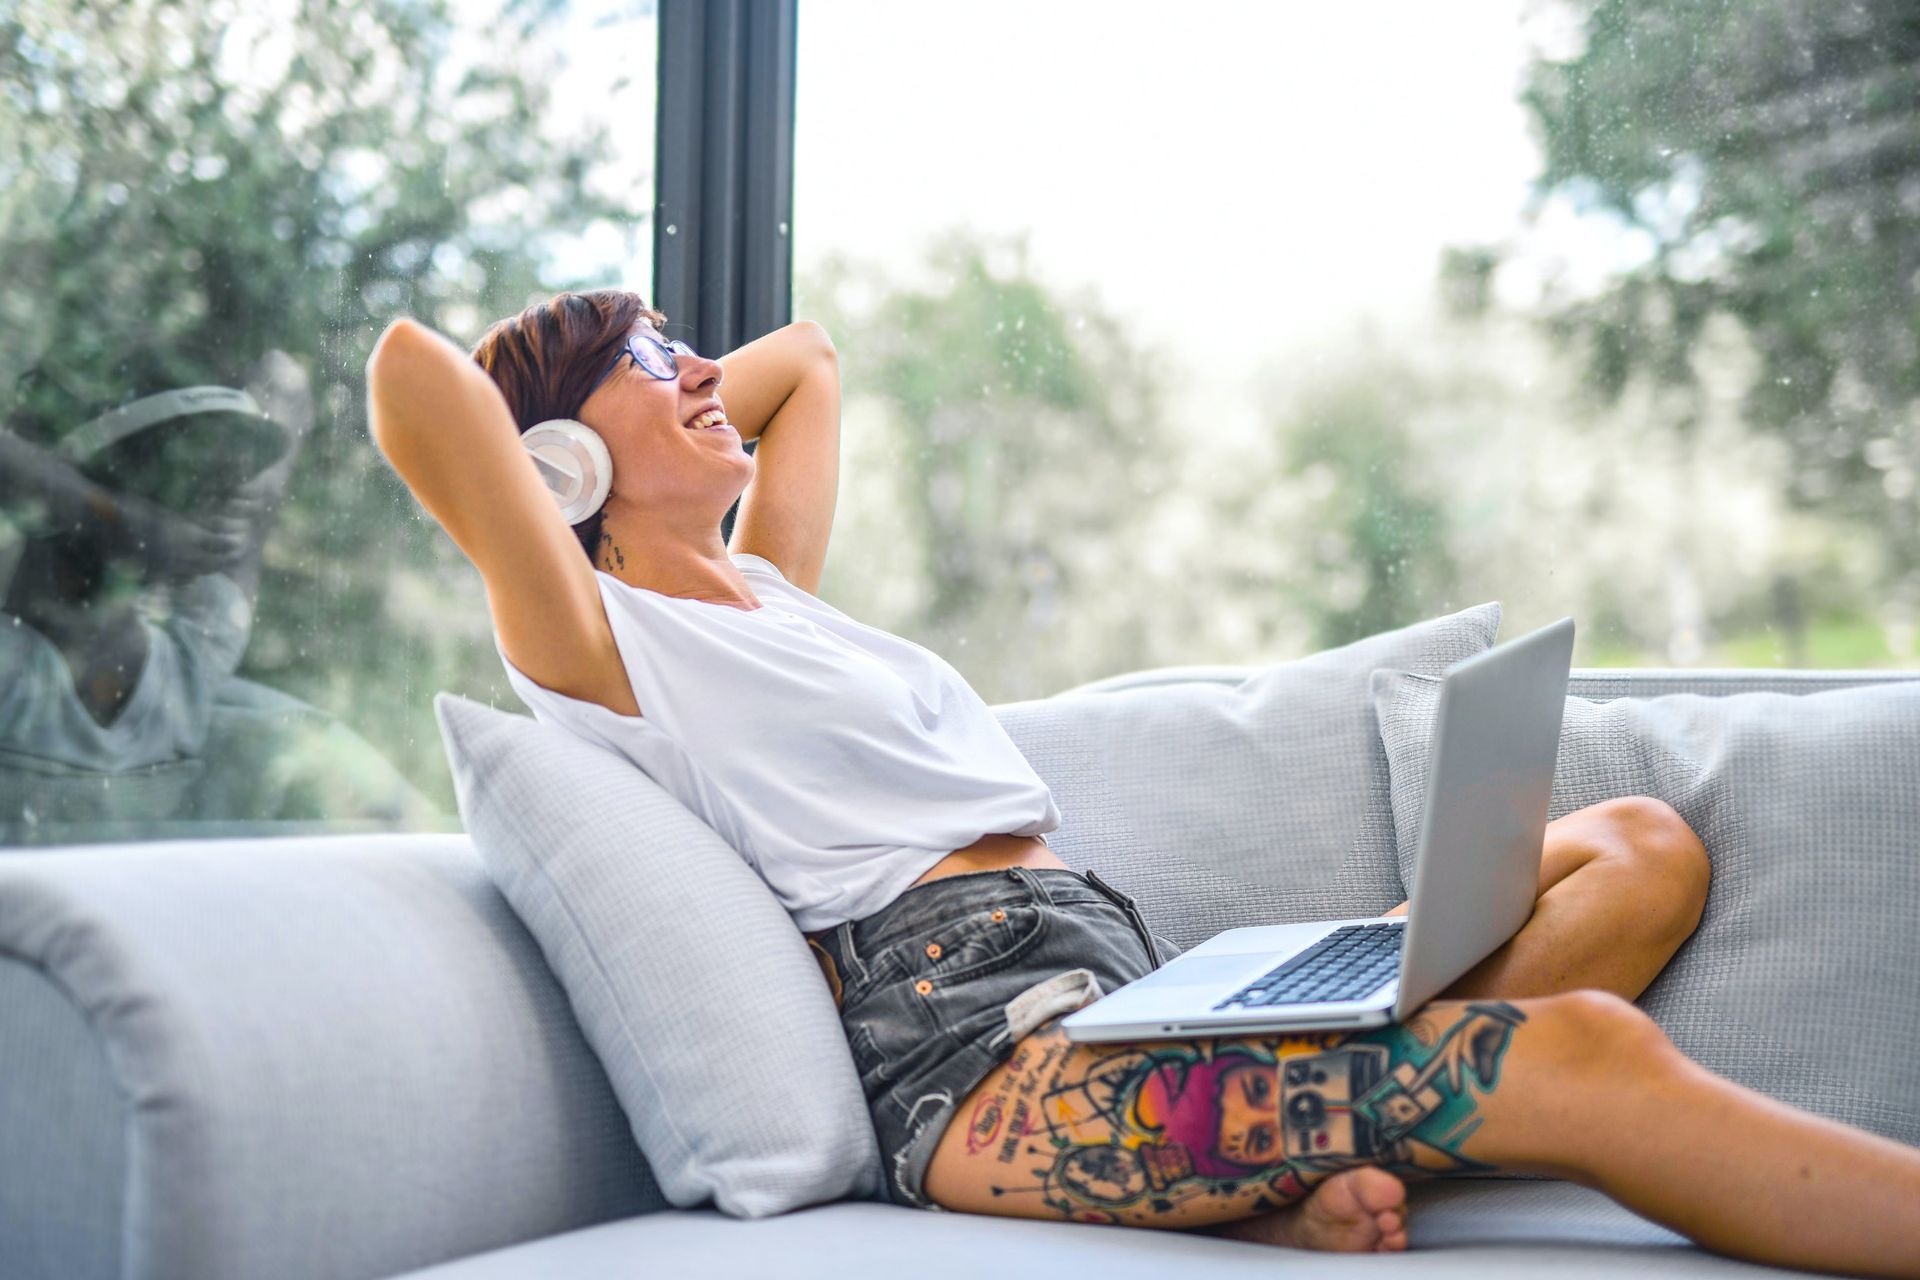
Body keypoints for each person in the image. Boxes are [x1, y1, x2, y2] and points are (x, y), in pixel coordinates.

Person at [365, 289, 1920, 1279]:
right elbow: (410, 377)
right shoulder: (600, 643)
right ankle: (1287, 1171)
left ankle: (1293, 1177)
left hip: (1126, 983)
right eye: (651, 361)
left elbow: (810, 362)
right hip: (977, 1059)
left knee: (1636, 849)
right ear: (561, 460)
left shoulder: (771, 598)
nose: (705, 368)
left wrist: (653, 384)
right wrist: (554, 445)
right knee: (1577, 1051)